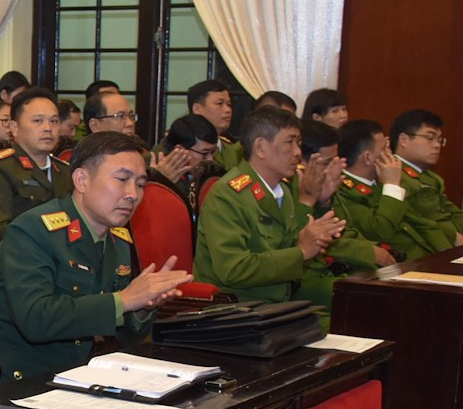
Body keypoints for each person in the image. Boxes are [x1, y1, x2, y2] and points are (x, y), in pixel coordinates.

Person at [0, 132, 191, 380]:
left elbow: (125, 335)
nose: (132, 194)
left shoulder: (117, 239)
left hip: (77, 374)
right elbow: (35, 319)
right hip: (17, 379)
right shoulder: (33, 230)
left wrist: (142, 305)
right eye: (122, 179)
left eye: (140, 184)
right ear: (82, 180)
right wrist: (125, 300)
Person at [195, 105, 375, 317]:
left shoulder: (283, 191)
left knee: (361, 316)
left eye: (298, 143)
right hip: (239, 310)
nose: (298, 152)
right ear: (260, 148)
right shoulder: (228, 195)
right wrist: (301, 251)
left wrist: (314, 235)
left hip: (278, 302)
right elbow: (233, 269)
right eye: (289, 142)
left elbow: (291, 248)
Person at [0, 87, 73, 253]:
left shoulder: (65, 171)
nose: (48, 128)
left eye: (54, 121)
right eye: (38, 121)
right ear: (14, 127)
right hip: (18, 260)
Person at [332, 119, 423, 262]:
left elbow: (420, 221)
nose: (391, 154)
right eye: (384, 148)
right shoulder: (343, 190)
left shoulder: (380, 182)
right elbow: (380, 232)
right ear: (368, 157)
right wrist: (392, 185)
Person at [391, 109, 462, 253]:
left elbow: (452, 212)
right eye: (430, 138)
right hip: (427, 249)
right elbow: (413, 219)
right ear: (404, 140)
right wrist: (453, 236)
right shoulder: (392, 175)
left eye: (439, 140)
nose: (437, 145)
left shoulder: (431, 177)